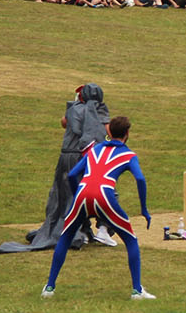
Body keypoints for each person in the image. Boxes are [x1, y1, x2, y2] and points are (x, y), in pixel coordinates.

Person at [0, 84, 115, 255]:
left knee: (66, 195)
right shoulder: (99, 112)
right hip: (84, 157)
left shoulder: (74, 110)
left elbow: (64, 122)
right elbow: (108, 134)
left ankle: (80, 230)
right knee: (97, 192)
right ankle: (97, 230)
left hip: (66, 157)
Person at [41, 116, 154, 299]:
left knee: (66, 237)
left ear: (109, 132)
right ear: (127, 133)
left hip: (83, 192)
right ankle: (137, 290)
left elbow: (73, 174)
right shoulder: (129, 155)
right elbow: (140, 179)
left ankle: (49, 288)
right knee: (131, 240)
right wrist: (144, 209)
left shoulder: (95, 149)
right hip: (105, 194)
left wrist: (77, 196)